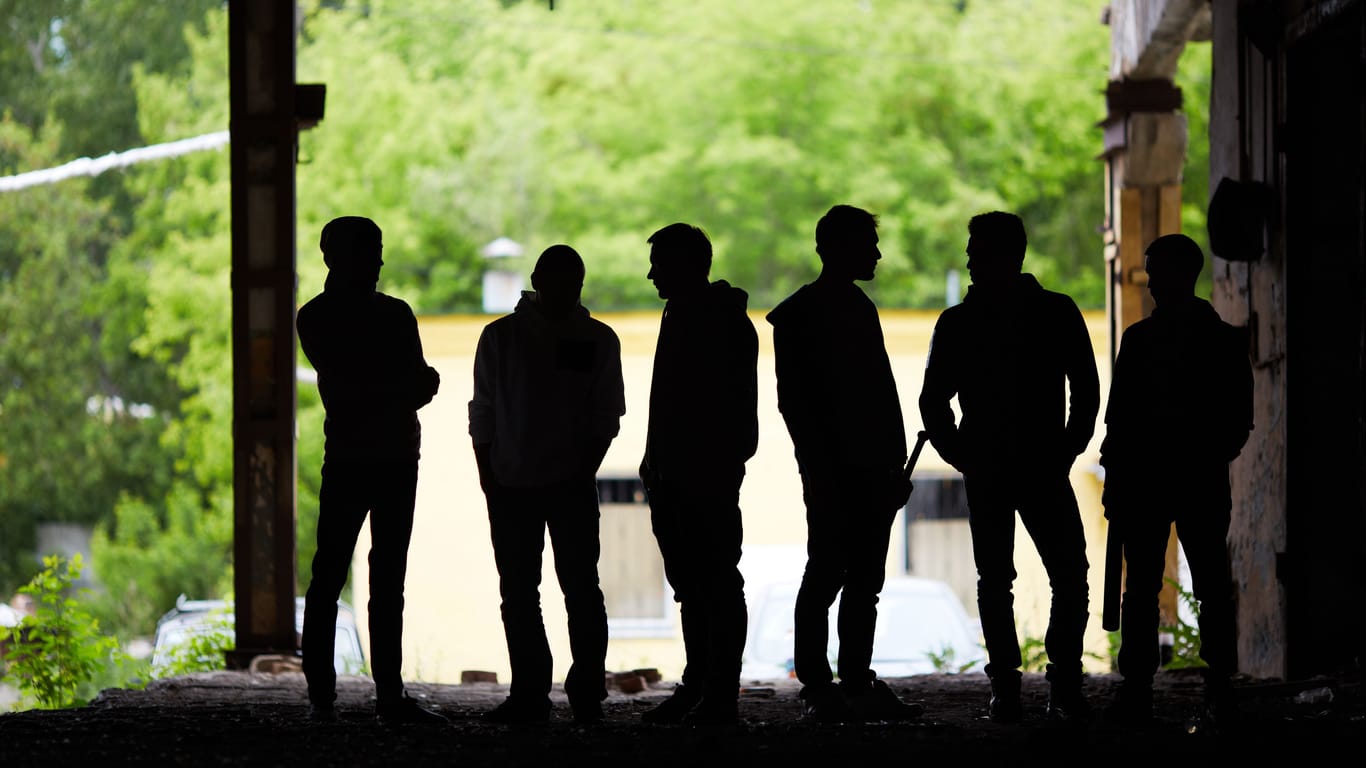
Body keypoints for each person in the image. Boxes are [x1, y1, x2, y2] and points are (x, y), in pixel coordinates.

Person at [918, 210, 1100, 723]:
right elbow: (1085, 389)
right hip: (1041, 465)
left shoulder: (959, 323)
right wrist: (1066, 449)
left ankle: (1007, 688)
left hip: (993, 468)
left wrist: (961, 454)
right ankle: (1062, 685)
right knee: (1068, 575)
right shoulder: (1057, 312)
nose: (970, 259)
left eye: (976, 249)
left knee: (996, 578)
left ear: (1004, 254)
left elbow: (934, 402)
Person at [765, 204, 922, 723]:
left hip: (854, 470)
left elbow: (872, 397)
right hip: (844, 470)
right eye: (867, 245)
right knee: (842, 576)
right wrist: (834, 470)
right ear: (838, 248)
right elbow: (807, 405)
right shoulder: (827, 312)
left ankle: (836, 682)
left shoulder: (821, 311)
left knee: (847, 576)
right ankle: (833, 682)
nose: (876, 254)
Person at [296, 215, 446, 725]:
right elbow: (417, 384)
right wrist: (400, 387)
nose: (379, 260)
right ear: (338, 255)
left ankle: (325, 696)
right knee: (383, 578)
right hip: (394, 455)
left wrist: (388, 386)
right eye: (372, 249)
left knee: (331, 575)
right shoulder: (393, 316)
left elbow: (355, 387)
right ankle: (387, 695)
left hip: (354, 454)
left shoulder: (315, 317)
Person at [1100, 233, 1254, 725]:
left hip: (1154, 480)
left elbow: (1119, 421)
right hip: (1196, 478)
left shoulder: (1141, 341)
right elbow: (1238, 421)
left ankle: (1141, 687)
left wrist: (1122, 474)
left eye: (1153, 271)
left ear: (1176, 276)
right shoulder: (1223, 340)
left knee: (1145, 588)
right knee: (1205, 584)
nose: (1149, 282)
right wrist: (1205, 457)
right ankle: (1217, 685)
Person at [469, 244, 626, 725]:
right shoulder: (596, 339)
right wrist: (579, 469)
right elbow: (606, 417)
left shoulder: (502, 338)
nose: (565, 291)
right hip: (553, 484)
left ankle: (535, 694)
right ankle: (579, 690)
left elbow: (484, 416)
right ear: (539, 280)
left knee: (526, 592)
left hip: (519, 482)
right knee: (576, 589)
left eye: (571, 282)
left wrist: (490, 478)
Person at [637, 223, 758, 726]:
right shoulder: (694, 315)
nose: (650, 275)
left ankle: (716, 693)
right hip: (683, 472)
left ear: (686, 265)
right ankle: (705, 686)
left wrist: (687, 463)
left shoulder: (712, 321)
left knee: (713, 582)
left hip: (700, 473)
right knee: (697, 583)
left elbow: (720, 410)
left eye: (659, 264)